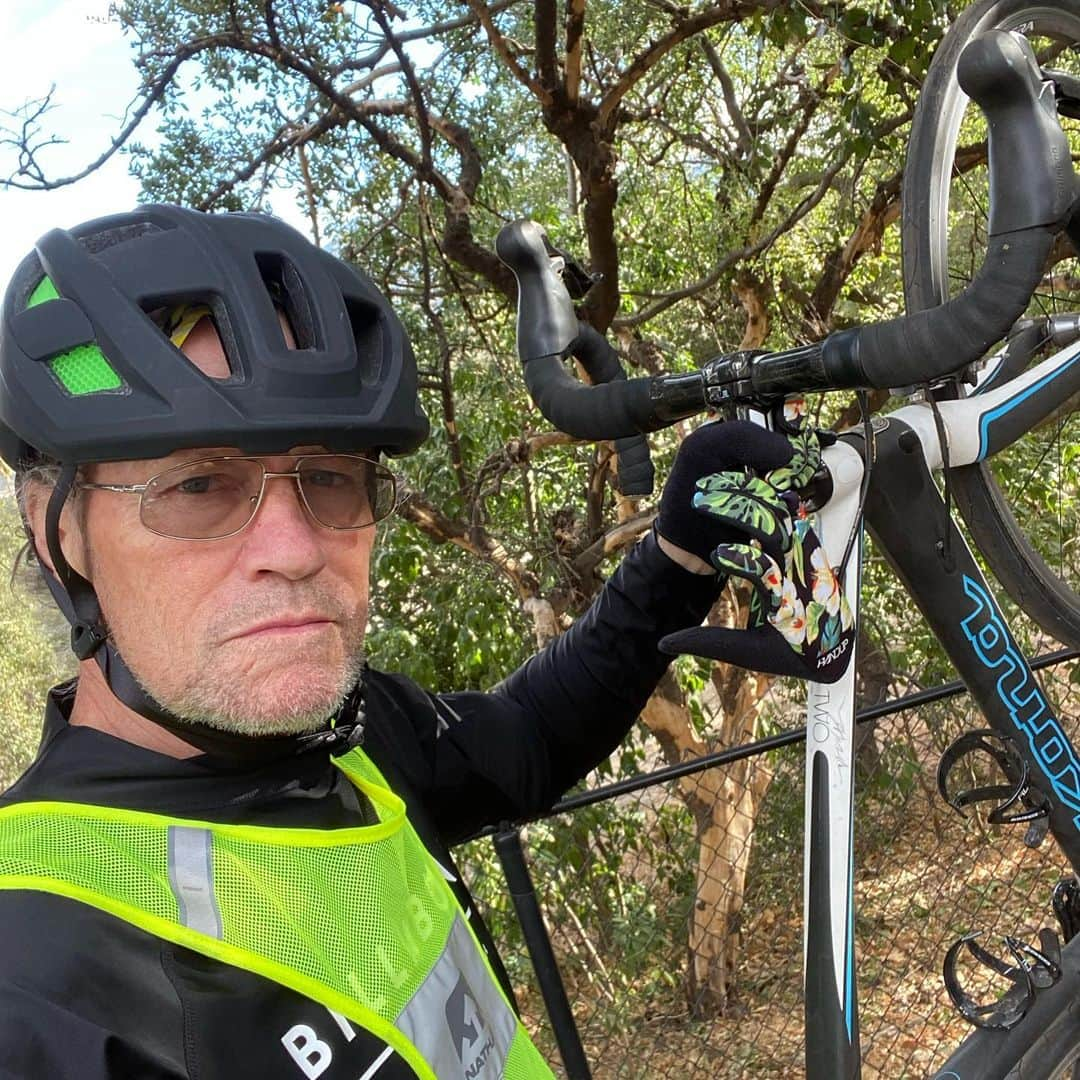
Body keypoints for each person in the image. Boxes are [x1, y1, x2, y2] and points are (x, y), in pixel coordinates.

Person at [0, 204, 806, 1080]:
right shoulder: (35, 985)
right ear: (58, 532)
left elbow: (528, 737)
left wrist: (677, 559)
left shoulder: (348, 736)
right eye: (198, 485)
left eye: (332, 479)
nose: (297, 548)